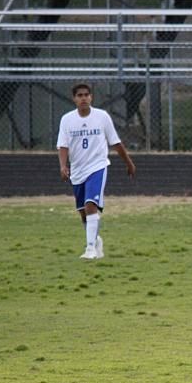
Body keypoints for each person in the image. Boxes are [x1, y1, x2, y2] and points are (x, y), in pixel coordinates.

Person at [56, 83, 136, 260]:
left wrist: (128, 163)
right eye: (79, 95)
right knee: (83, 212)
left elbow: (115, 142)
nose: (83, 98)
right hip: (77, 170)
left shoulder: (102, 117)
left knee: (91, 204)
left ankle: (90, 248)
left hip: (97, 167)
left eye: (86, 95)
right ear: (74, 98)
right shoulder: (67, 120)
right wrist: (63, 166)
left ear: (91, 97)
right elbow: (63, 145)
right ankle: (96, 240)